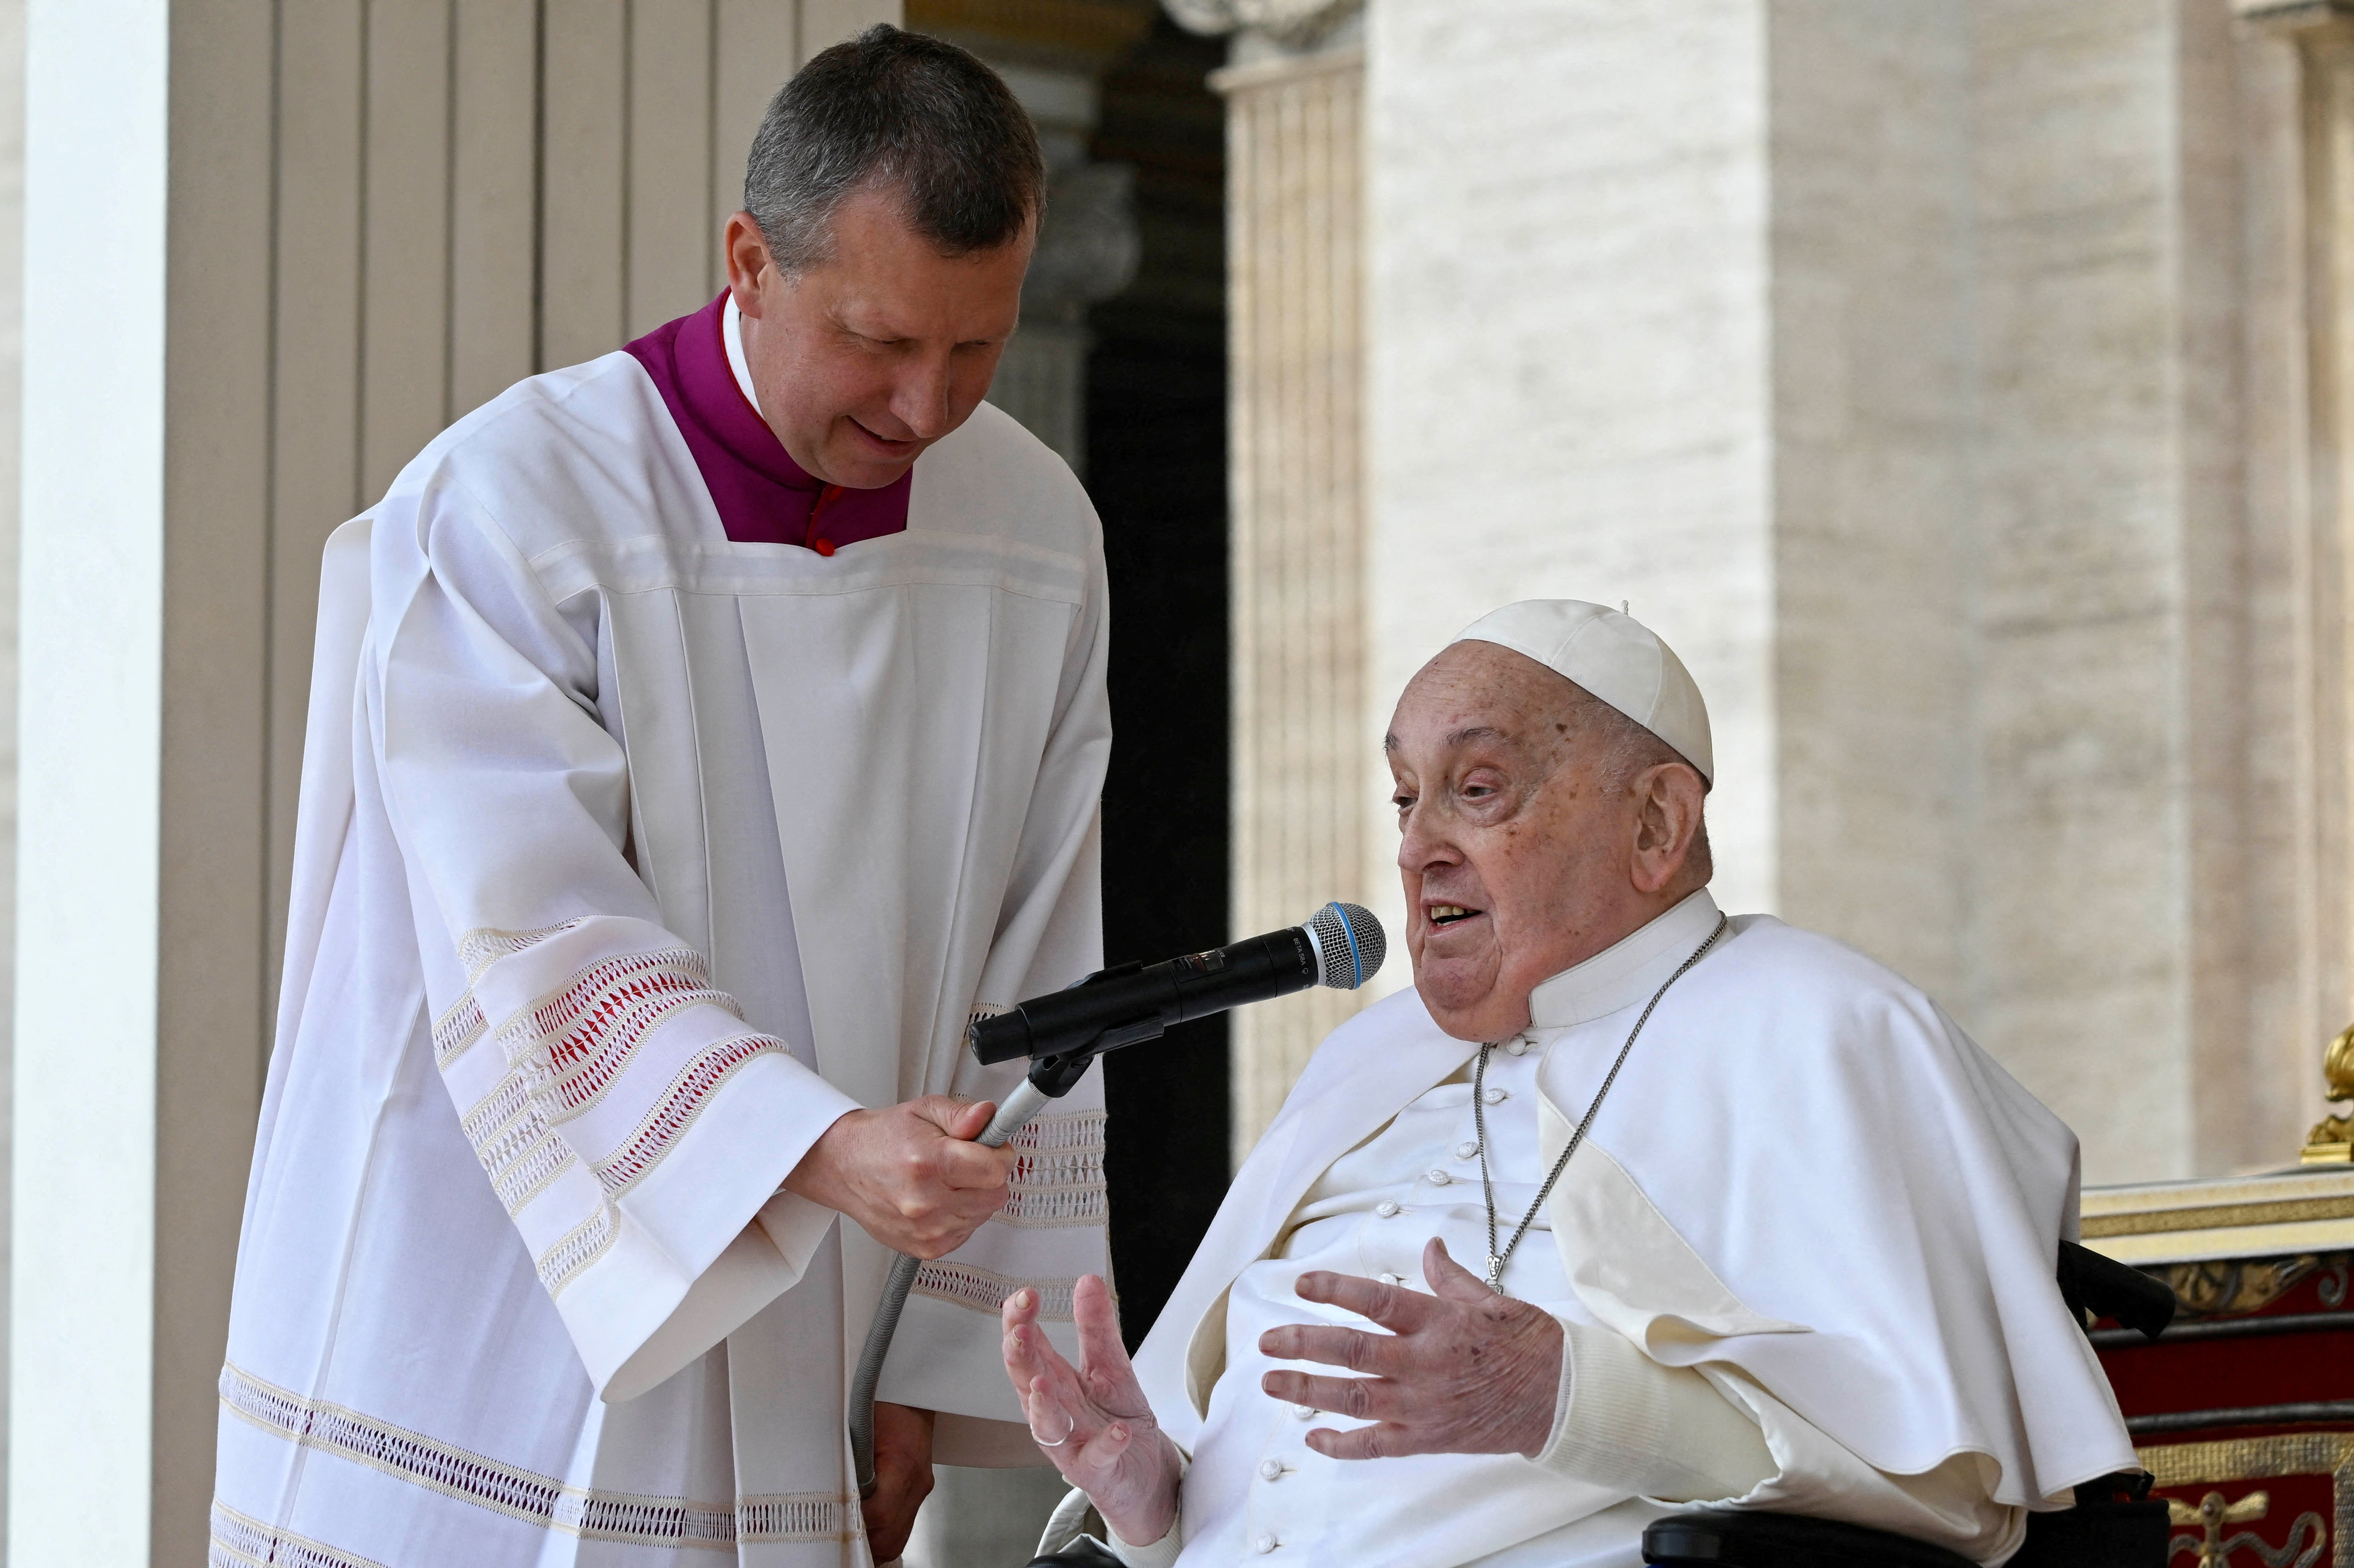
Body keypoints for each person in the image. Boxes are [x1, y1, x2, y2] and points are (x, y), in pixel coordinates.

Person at [212, 27, 1110, 1568]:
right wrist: (813, 1148)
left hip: (838, 1280)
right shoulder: (515, 508)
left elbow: (1036, 962)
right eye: (880, 341)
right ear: (750, 261)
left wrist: (922, 1360)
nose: (922, 405)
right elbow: (530, 927)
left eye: (975, 349)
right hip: (508, 1288)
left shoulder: (1030, 527)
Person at [1004, 600, 2137, 1568]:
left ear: (1656, 823)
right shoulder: (1366, 1054)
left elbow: (1946, 1492)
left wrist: (1565, 1399)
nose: (1416, 849)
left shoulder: (1827, 1024)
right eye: (1407, 796)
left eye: (1479, 789)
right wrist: (1156, 1506)